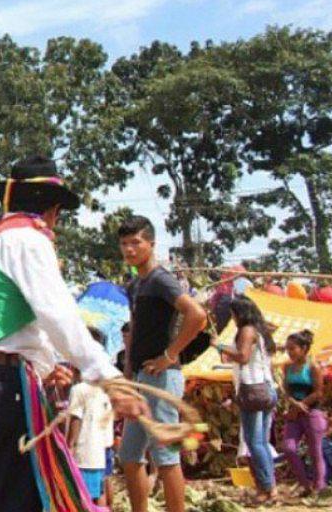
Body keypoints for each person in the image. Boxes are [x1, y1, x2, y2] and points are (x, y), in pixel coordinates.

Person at [0, 157, 144, 512]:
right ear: (51, 210)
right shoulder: (28, 241)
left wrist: (45, 364)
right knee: (16, 498)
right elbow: (57, 313)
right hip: (5, 384)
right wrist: (109, 378)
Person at [118, 215, 207, 512]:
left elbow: (197, 315)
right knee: (129, 457)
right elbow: (134, 328)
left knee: (166, 458)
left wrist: (169, 356)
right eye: (124, 244)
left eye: (136, 243)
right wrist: (128, 371)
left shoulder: (161, 279)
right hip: (141, 378)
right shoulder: (136, 285)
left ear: (151, 244)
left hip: (162, 378)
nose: (129, 249)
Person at [220, 295, 278, 503]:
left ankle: (267, 487)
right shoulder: (259, 331)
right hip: (266, 389)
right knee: (261, 442)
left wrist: (218, 346)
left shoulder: (246, 331)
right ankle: (270, 486)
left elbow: (243, 357)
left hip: (252, 391)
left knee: (255, 443)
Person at [67, 328, 115, 508]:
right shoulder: (106, 388)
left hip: (83, 454)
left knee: (81, 496)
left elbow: (75, 419)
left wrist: (70, 445)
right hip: (100, 452)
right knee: (99, 493)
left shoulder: (79, 389)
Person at [280, 329, 327, 495]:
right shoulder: (287, 367)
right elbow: (285, 391)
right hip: (294, 414)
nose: (289, 352)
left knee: (315, 451)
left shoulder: (313, 367)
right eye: (287, 349)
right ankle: (305, 484)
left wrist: (302, 404)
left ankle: (319, 487)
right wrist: (294, 404)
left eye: (293, 348)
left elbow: (318, 392)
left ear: (304, 348)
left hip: (312, 412)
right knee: (289, 448)